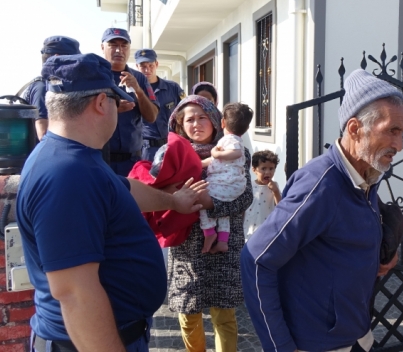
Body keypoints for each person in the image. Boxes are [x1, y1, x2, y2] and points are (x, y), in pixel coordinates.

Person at [15, 53, 207, 352]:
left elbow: (123, 188)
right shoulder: (67, 175)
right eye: (116, 103)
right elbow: (75, 294)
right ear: (101, 103)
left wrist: (174, 201)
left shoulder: (76, 157)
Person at [241, 69, 403, 352]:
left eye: (402, 133)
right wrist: (280, 347)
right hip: (320, 343)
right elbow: (256, 259)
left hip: (357, 336)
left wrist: (383, 252)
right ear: (355, 129)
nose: (400, 145)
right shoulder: (321, 184)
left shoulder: (368, 172)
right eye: (392, 131)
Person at [167, 95, 254, 352]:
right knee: (188, 314)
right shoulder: (172, 155)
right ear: (180, 125)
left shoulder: (236, 151)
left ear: (215, 120)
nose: (196, 124)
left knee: (224, 315)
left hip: (224, 245)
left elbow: (246, 195)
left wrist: (211, 204)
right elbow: (162, 195)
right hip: (187, 246)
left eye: (201, 117)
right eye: (189, 119)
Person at [101, 28, 159, 176]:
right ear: (102, 47)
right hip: (101, 159)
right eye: (113, 45)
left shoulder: (139, 78)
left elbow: (152, 116)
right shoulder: (95, 77)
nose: (119, 50)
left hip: (132, 161)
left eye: (124, 45)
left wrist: (138, 90)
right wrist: (112, 108)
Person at [200, 102, 254, 253]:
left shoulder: (232, 140)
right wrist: (201, 163)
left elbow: (234, 153)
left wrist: (216, 153)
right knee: (223, 213)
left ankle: (209, 232)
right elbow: (218, 160)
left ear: (222, 122)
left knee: (201, 198)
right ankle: (223, 241)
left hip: (228, 183)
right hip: (231, 187)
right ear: (247, 129)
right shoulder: (230, 140)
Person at [21, 35, 81, 140]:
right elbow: (43, 134)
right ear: (56, 59)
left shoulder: (51, 86)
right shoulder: (43, 87)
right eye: (73, 60)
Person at [134, 48, 186, 161]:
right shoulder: (133, 92)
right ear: (137, 67)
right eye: (143, 66)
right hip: (146, 150)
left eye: (151, 65)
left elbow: (186, 112)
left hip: (171, 146)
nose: (147, 69)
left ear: (156, 64)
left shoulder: (173, 88)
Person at [243, 150, 281, 241]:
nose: (267, 172)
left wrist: (276, 192)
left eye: (271, 168)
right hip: (249, 231)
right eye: (263, 169)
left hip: (267, 232)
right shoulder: (248, 186)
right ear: (254, 170)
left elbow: (280, 206)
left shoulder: (275, 187)